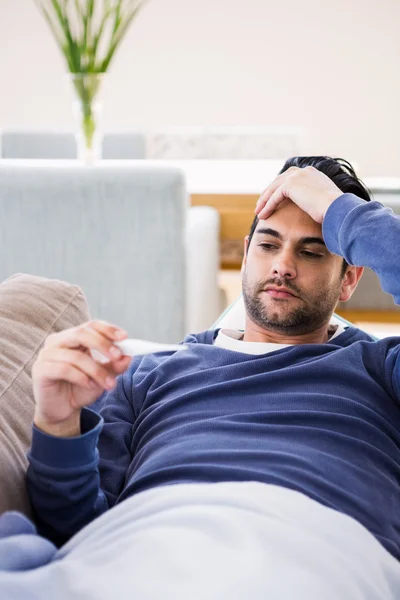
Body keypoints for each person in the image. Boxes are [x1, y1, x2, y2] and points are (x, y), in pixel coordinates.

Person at [26, 156, 400, 598]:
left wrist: (342, 212)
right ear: (245, 254)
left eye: (312, 251)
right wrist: (57, 424)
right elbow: (72, 525)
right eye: (267, 245)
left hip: (314, 551)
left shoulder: (381, 369)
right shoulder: (145, 373)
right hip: (147, 548)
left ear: (349, 280)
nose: (282, 266)